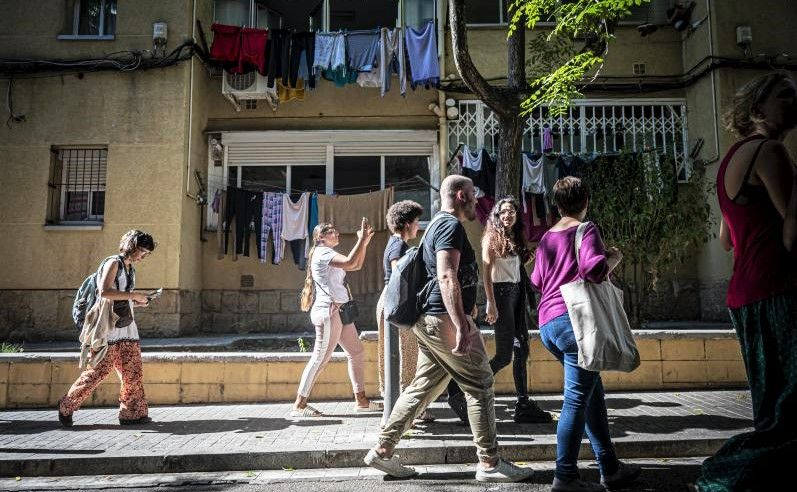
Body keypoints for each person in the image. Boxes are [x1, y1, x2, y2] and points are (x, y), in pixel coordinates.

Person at [363, 175, 534, 483]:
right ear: (459, 195)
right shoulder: (448, 226)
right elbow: (446, 276)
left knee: (422, 387)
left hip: (430, 320)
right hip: (442, 318)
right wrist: (462, 325)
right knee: (481, 383)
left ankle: (382, 450)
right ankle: (489, 462)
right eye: (472, 194)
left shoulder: (439, 226)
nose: (476, 200)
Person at [697, 71, 797, 491]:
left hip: (746, 294)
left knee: (772, 406)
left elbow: (725, 238)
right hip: (779, 289)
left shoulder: (731, 161)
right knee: (788, 412)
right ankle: (722, 474)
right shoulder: (770, 152)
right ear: (758, 109)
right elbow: (793, 235)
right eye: (785, 96)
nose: (793, 102)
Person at [531, 177, 640, 492]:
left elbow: (537, 281)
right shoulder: (585, 229)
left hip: (549, 324)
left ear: (557, 204)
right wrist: (614, 258)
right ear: (585, 201)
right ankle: (564, 476)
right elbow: (594, 269)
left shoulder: (547, 237)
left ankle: (610, 467)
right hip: (574, 321)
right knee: (576, 398)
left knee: (592, 393)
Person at [58, 230, 157, 427]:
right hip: (108, 329)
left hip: (127, 328)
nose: (144, 256)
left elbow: (120, 298)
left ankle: (131, 413)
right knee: (98, 371)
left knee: (133, 372)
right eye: (143, 251)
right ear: (133, 247)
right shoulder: (114, 263)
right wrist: (134, 295)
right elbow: (104, 292)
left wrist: (139, 302)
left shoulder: (130, 268)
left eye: (147, 253)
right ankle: (66, 405)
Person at [292, 219, 382, 417]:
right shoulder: (323, 252)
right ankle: (299, 404)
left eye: (336, 230)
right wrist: (362, 240)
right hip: (329, 312)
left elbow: (355, 265)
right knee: (320, 359)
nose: (337, 233)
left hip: (340, 312)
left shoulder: (328, 253)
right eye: (331, 231)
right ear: (320, 237)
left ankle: (361, 401)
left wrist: (364, 242)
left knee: (356, 352)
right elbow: (351, 261)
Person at [482, 197, 551, 424]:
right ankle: (472, 389)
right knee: (504, 355)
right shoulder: (491, 238)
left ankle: (523, 403)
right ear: (497, 215)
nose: (507, 215)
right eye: (503, 212)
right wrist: (490, 303)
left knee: (521, 348)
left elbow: (519, 265)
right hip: (501, 296)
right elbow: (487, 273)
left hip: (517, 295)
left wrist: (537, 250)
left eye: (511, 211)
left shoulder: (516, 237)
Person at [376, 200, 434, 422]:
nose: (418, 226)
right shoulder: (398, 246)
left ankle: (398, 408)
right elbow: (399, 274)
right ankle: (408, 410)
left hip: (390, 302)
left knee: (397, 355)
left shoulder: (394, 243)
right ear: (407, 223)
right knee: (408, 356)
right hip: (397, 303)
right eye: (417, 221)